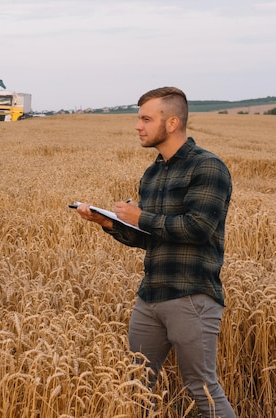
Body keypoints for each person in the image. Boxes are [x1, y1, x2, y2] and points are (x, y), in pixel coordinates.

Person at [75, 86, 236, 417]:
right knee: (135, 385)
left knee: (202, 389)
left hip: (192, 297)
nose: (138, 126)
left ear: (172, 122)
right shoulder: (152, 174)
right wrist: (108, 223)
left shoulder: (208, 168)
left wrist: (140, 216)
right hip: (150, 297)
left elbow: (198, 229)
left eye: (146, 119)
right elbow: (150, 237)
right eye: (139, 119)